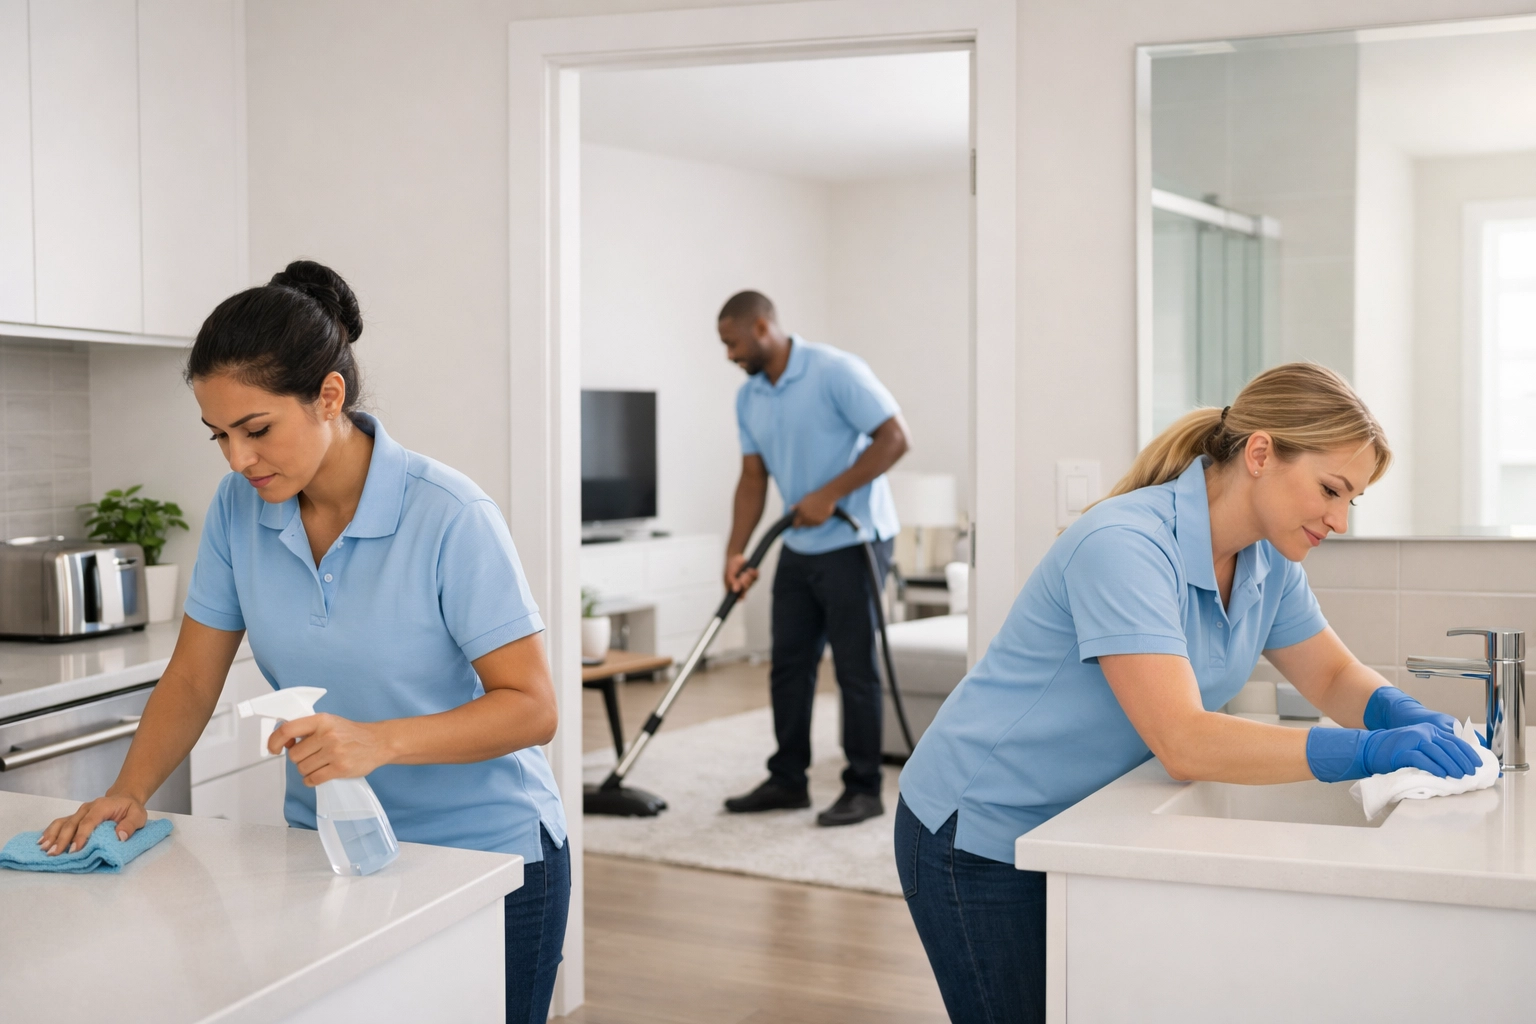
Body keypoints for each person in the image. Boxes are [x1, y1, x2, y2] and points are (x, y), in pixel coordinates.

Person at [38, 261, 570, 1024]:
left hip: (489, 860)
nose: (237, 459)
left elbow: (532, 709)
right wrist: (130, 790)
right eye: (219, 435)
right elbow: (192, 679)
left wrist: (377, 742)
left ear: (329, 396)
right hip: (331, 856)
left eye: (256, 430)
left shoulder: (450, 514)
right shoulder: (237, 511)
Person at [894, 362, 1482, 1024]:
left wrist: (1412, 716)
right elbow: (1185, 741)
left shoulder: (1266, 561)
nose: (1340, 521)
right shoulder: (1125, 545)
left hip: (1083, 822)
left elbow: (1332, 676)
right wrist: (1372, 750)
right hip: (979, 828)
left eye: (1353, 500)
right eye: (1330, 490)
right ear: (1261, 452)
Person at [717, 290, 911, 827]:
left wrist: (831, 492)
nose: (729, 355)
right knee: (789, 666)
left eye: (732, 342)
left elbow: (895, 437)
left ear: (762, 328)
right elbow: (753, 479)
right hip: (799, 544)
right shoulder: (749, 397)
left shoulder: (835, 371)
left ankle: (864, 787)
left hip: (857, 539)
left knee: (853, 669)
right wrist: (737, 550)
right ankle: (787, 779)